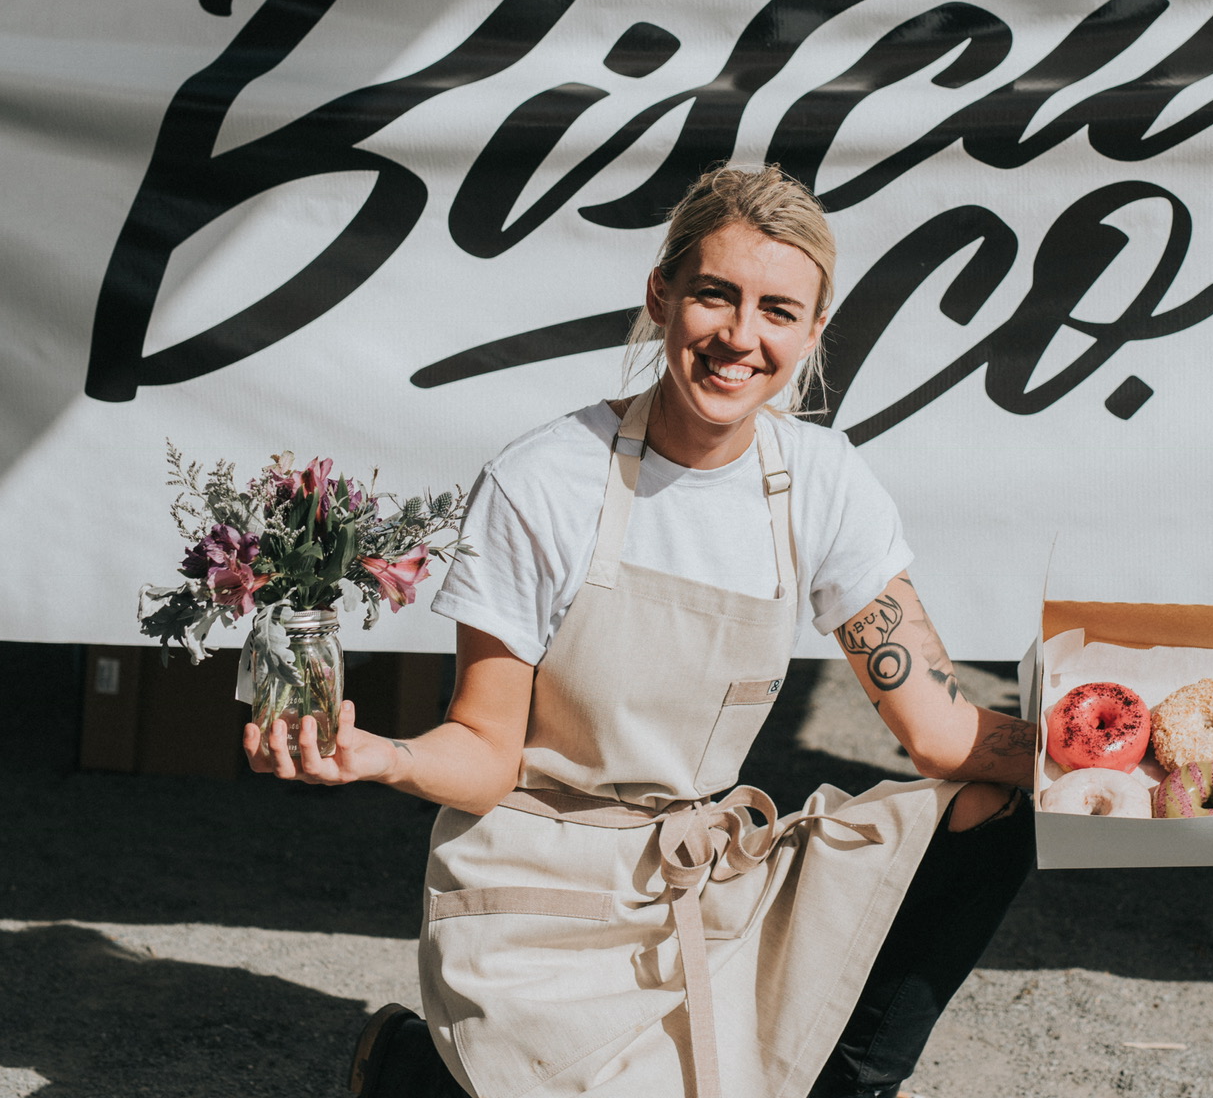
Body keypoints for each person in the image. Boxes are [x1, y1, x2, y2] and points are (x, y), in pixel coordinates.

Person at [243, 164, 1040, 1098]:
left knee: (993, 813)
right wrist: (385, 756)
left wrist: (1107, 759)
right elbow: (488, 753)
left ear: (813, 331)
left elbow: (941, 733)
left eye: (778, 311)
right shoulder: (542, 482)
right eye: (716, 295)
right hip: (540, 892)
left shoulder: (823, 483)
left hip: (702, 880)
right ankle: (415, 1072)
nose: (742, 337)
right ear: (662, 294)